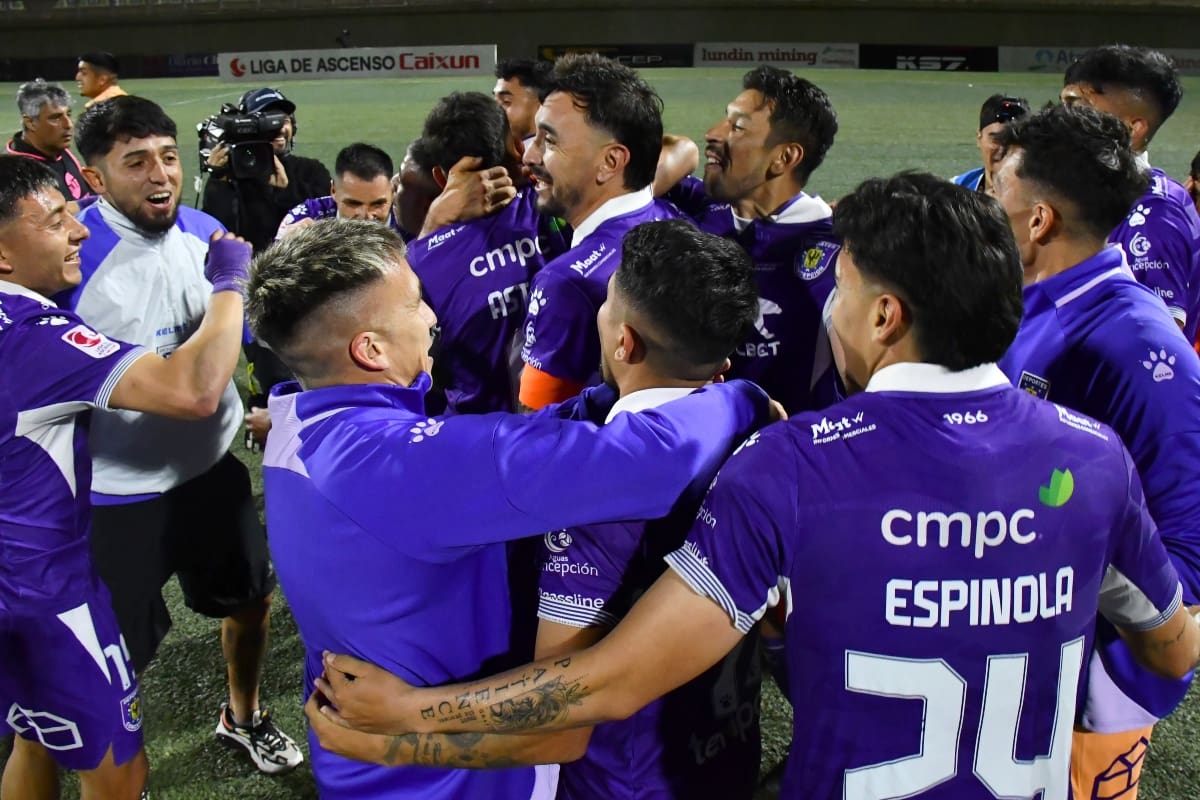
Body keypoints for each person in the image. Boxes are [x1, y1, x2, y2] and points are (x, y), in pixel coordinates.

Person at [314, 172, 1200, 800]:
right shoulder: (1092, 457)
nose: (830, 310)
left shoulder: (797, 462)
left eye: (844, 291)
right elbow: (1173, 649)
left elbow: (606, 685)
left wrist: (403, 716)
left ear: (887, 316)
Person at [244, 218, 775, 799]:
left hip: (369, 765)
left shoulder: (299, 421)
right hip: (448, 780)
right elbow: (652, 458)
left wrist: (605, 398)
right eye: (416, 303)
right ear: (369, 348)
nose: (431, 317)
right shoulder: (398, 466)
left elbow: (514, 450)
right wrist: (740, 395)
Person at [59, 95, 303, 775]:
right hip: (114, 496)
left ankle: (244, 715)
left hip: (210, 472)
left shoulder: (203, 230)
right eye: (135, 162)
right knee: (117, 654)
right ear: (95, 176)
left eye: (167, 157)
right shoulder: (71, 262)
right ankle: (110, 769)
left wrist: (276, 396)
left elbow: (250, 340)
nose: (160, 175)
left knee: (251, 601)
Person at [0, 154, 247, 800]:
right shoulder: (35, 339)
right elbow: (192, 389)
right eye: (56, 221)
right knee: (117, 770)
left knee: (33, 736)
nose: (78, 230)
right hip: (46, 595)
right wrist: (230, 286)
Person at [991, 104, 1200, 800]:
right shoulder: (1035, 302)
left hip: (1084, 697)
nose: (988, 207)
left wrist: (1105, 690)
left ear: (1040, 219)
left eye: (998, 194)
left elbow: (1189, 555)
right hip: (1020, 665)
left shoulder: (1137, 346)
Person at [669, 65, 842, 414]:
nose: (712, 134)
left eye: (737, 127)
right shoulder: (701, 209)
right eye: (724, 120)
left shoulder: (838, 252)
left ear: (784, 158)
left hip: (788, 455)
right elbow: (644, 161)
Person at [518, 52, 681, 410]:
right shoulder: (676, 219)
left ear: (611, 162)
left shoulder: (566, 285)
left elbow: (536, 426)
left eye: (548, 140)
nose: (529, 155)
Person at [407, 91, 570, 416]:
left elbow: (419, 373)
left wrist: (431, 227)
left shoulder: (416, 263)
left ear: (440, 177)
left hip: (476, 439)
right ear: (515, 148)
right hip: (565, 425)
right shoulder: (558, 205)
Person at [1062, 45, 1200, 341]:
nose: (1062, 119)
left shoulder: (1153, 214)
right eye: (1065, 104)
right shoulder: (1084, 193)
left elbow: (1155, 342)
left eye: (1081, 107)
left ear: (1132, 127)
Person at [200, 86, 331, 253]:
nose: (279, 128)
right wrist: (217, 181)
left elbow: (326, 225)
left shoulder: (312, 171)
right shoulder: (231, 176)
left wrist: (285, 191)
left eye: (283, 120)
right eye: (268, 121)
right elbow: (215, 234)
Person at [276, 142, 397, 237]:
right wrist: (288, 250)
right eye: (354, 203)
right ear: (333, 191)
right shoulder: (307, 217)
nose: (366, 216)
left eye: (378, 204)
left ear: (393, 191)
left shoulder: (410, 222)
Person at [5, 79, 91, 205]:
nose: (68, 125)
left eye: (68, 114)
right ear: (30, 122)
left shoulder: (60, 152)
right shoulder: (16, 172)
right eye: (55, 118)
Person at [951, 93, 1030, 193]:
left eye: (1012, 140)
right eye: (996, 140)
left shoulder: (1042, 195)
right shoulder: (958, 189)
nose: (1003, 149)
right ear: (979, 138)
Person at [493, 58, 553, 149]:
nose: (494, 109)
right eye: (494, 100)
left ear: (541, 106)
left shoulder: (553, 158)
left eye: (506, 101)